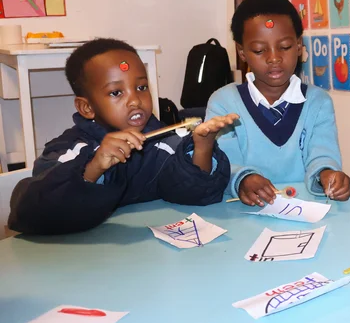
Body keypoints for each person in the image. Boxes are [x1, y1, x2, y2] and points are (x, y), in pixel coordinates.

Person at [9, 39, 237, 235]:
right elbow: (30, 212)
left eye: (141, 87)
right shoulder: (69, 149)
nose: (135, 101)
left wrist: (203, 147)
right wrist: (93, 168)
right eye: (116, 92)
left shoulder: (163, 143)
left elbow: (192, 193)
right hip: (78, 263)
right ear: (86, 107)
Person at [207, 0, 350, 206]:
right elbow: (222, 162)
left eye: (284, 47)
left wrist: (328, 174)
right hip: (242, 215)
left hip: (305, 212)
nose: (274, 58)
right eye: (259, 50)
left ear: (299, 45)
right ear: (242, 52)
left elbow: (322, 152)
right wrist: (244, 178)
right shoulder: (224, 102)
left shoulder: (318, 102)